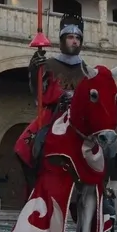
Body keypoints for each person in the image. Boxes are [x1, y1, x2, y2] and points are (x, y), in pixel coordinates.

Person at [14, 14, 90, 170]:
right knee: (23, 145)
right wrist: (34, 70)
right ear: (62, 40)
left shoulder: (86, 69)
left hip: (79, 116)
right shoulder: (48, 64)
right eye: (70, 37)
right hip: (53, 114)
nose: (75, 41)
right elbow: (38, 91)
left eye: (78, 38)